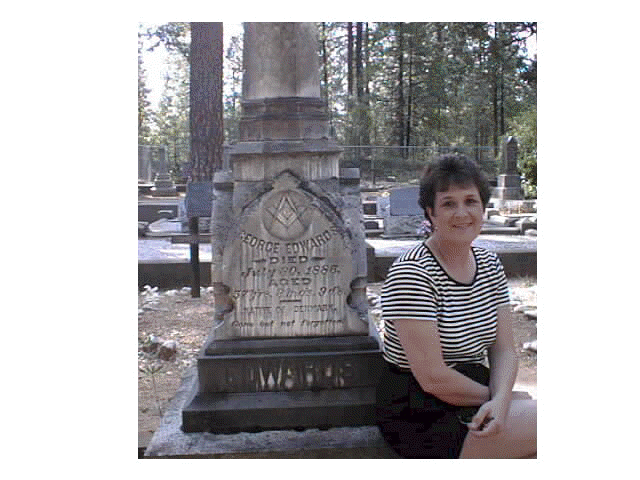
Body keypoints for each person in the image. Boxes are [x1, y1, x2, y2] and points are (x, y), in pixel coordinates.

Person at [376, 154, 537, 458]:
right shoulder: (412, 272)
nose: (462, 213)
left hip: (473, 388)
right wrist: (500, 399)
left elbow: (503, 349)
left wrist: (501, 400)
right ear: (430, 212)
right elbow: (432, 376)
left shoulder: (489, 265)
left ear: (482, 207)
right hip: (420, 409)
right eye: (448, 203)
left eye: (470, 201)